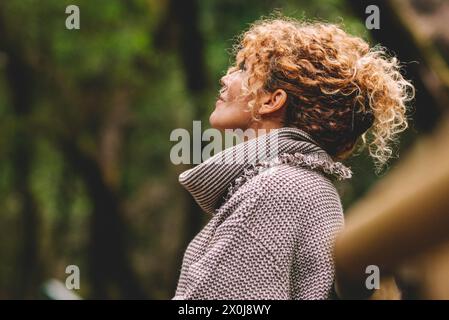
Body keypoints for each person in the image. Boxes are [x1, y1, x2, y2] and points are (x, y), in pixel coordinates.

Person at [173, 16, 414, 300]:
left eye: (243, 69)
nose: (225, 78)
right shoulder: (305, 185)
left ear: (272, 101)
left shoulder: (277, 188)